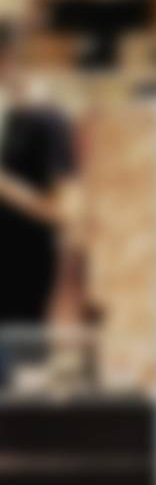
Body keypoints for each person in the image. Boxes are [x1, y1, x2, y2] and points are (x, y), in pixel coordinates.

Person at [0, 26, 76, 370]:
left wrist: (5, 187)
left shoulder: (49, 123)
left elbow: (63, 210)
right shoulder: (12, 120)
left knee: (22, 374)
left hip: (26, 279)